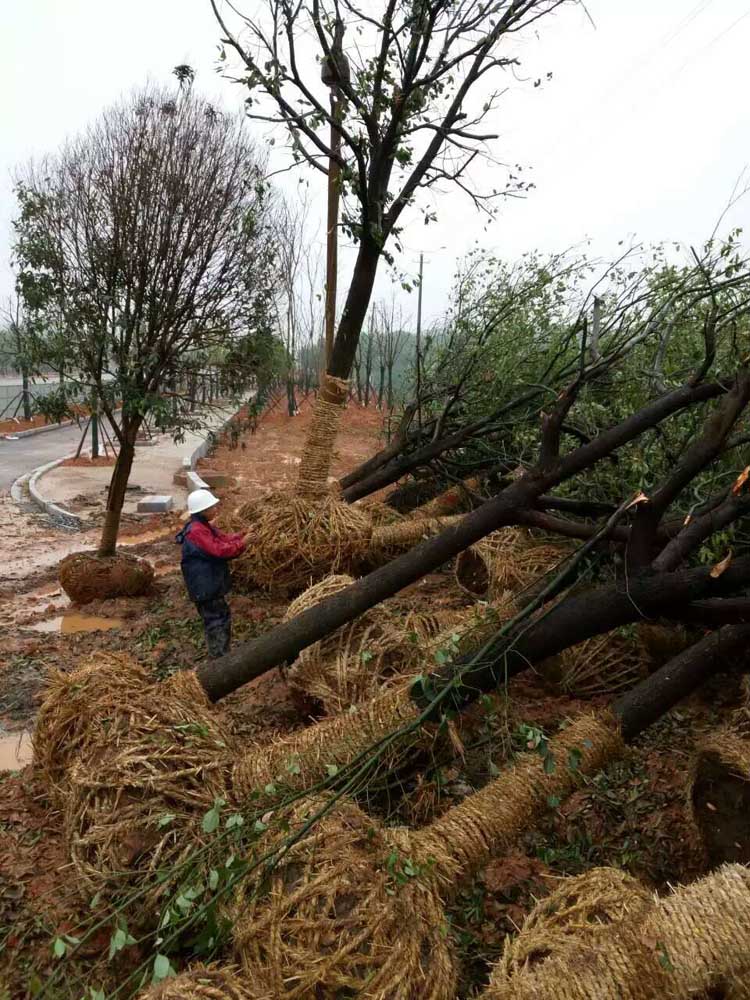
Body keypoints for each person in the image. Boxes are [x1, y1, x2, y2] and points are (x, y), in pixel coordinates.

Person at [176, 489, 249, 658]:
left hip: (208, 584)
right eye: (212, 507)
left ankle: (220, 653)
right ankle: (219, 658)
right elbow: (219, 550)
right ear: (202, 511)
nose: (216, 510)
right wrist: (243, 544)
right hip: (205, 586)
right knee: (216, 620)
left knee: (220, 617)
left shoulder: (202, 526)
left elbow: (223, 539)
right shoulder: (197, 531)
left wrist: (241, 535)